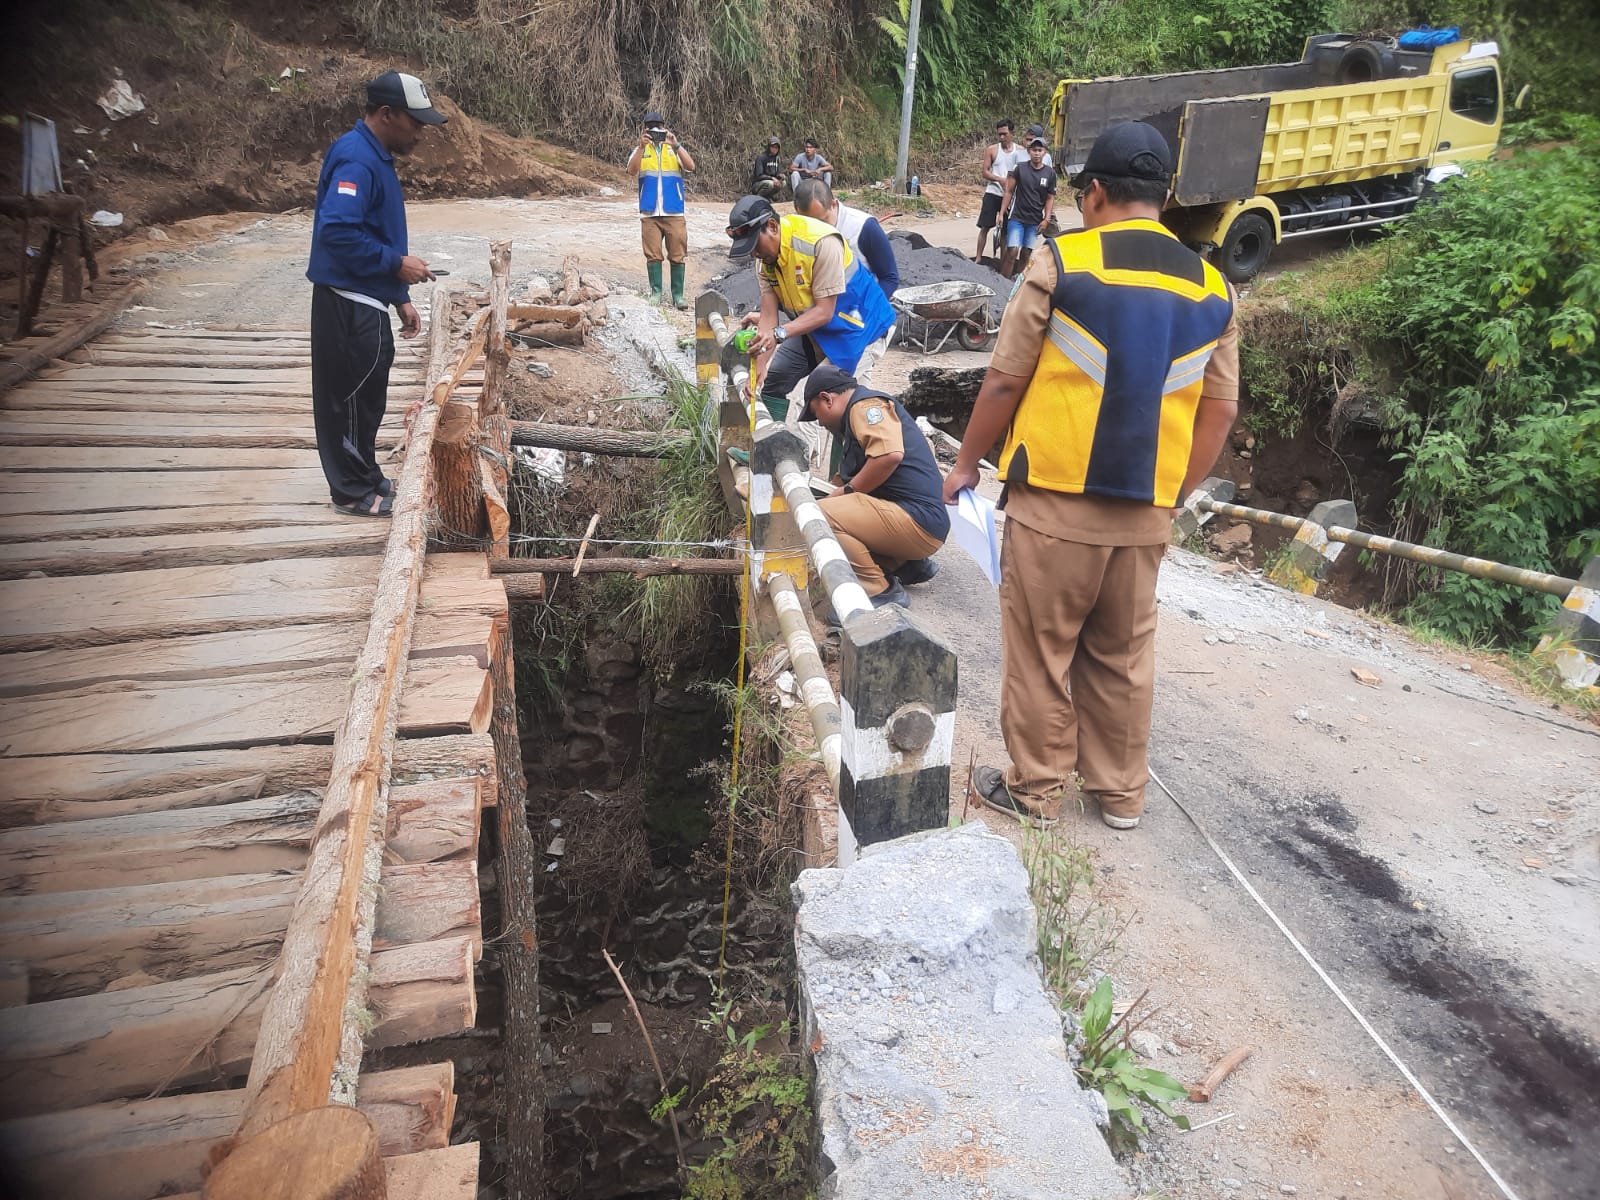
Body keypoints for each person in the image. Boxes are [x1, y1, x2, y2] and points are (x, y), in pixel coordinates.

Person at [941, 121, 1239, 831]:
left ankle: (1036, 791)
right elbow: (1221, 410)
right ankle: (1121, 795)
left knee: (1042, 653)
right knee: (1123, 656)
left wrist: (965, 463)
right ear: (1163, 195)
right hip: (1147, 514)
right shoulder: (1215, 286)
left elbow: (1004, 380)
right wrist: (1174, 495)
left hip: (1055, 505)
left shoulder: (1061, 262)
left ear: (1097, 192)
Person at [306, 70, 444, 517]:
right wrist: (395, 264)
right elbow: (338, 232)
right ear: (386, 114)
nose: (420, 132)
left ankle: (366, 477)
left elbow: (370, 230)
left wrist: (399, 294)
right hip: (348, 304)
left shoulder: (373, 156)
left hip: (366, 299)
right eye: (415, 122)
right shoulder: (356, 160)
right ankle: (351, 492)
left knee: (365, 399)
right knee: (348, 401)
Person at [724, 195, 896, 424]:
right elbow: (768, 319)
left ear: (772, 226)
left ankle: (809, 448)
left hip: (858, 328)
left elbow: (824, 312)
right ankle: (768, 440)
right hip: (818, 328)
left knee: (819, 401)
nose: (753, 253)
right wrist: (759, 366)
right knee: (775, 378)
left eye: (755, 244)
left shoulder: (820, 243)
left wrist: (779, 333)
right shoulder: (765, 261)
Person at [802, 365, 949, 607]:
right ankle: (903, 564)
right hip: (915, 520)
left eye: (815, 413)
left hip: (919, 522)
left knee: (818, 515)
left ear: (827, 399)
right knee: (833, 506)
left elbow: (888, 456)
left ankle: (876, 590)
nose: (819, 422)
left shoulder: (865, 407)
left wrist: (847, 492)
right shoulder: (854, 419)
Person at [626, 110, 695, 308]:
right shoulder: (640, 149)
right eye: (651, 127)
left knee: (677, 254)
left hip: (674, 211)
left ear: (664, 127)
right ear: (645, 130)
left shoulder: (673, 148)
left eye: (658, 127)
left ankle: (678, 296)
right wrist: (641, 147)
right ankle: (655, 293)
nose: (654, 130)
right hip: (649, 212)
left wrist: (676, 144)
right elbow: (631, 171)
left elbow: (691, 166)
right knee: (653, 254)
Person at [793, 177, 899, 298]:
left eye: (822, 221)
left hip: (860, 301)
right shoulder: (795, 230)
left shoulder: (863, 227)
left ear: (833, 204)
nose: (815, 229)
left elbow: (889, 278)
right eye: (808, 223)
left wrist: (870, 306)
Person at [999, 134, 1057, 279]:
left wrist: (1047, 219)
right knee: (1012, 251)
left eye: (1040, 150)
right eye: (1034, 150)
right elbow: (1009, 191)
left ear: (1045, 152)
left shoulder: (1050, 174)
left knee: (1026, 253)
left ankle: (1019, 283)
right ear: (1029, 152)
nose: (1037, 153)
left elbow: (1050, 198)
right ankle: (1002, 281)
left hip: (1034, 220)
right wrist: (1001, 213)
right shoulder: (1020, 168)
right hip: (1017, 217)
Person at [977, 118, 1024, 262]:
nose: (1002, 137)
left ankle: (1003, 261)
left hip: (1010, 195)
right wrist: (1000, 180)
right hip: (993, 192)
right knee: (985, 227)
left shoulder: (1020, 151)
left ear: (1012, 133)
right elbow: (985, 172)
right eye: (999, 134)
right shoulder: (992, 150)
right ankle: (978, 258)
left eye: (1005, 134)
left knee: (1006, 231)